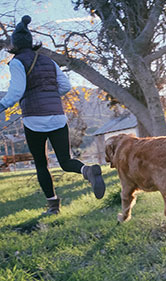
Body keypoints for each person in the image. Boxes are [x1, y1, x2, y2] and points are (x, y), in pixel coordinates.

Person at [0, 15, 105, 215]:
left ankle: (53, 206)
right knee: (65, 161)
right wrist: (48, 95)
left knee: (41, 164)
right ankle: (87, 171)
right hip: (57, 116)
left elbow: (15, 92)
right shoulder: (48, 60)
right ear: (31, 43)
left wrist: (2, 105)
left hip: (34, 120)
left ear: (14, 45)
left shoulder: (16, 62)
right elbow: (66, 86)